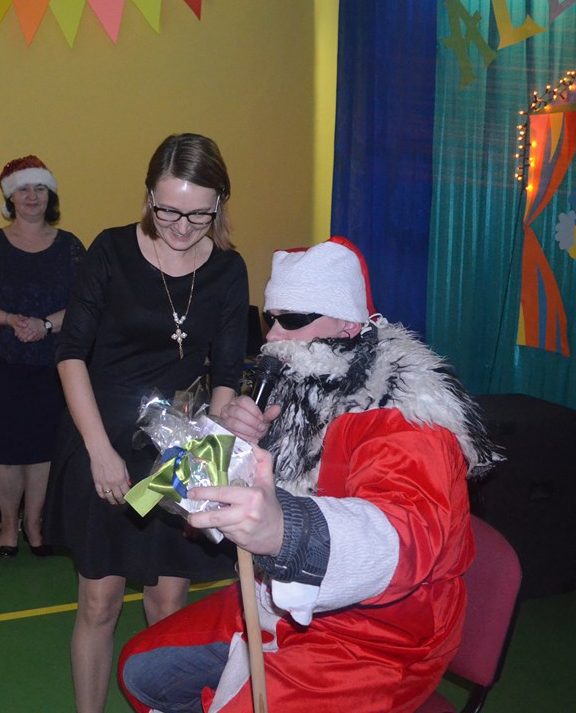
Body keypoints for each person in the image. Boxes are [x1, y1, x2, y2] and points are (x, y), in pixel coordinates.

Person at [117, 237, 502, 713]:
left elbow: (408, 535)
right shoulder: (297, 382)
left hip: (377, 637)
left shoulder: (405, 413)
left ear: (347, 323)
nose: (274, 336)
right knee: (140, 670)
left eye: (293, 320)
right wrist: (234, 444)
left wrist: (288, 531)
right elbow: (243, 501)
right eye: (271, 318)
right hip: (276, 602)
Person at [44, 134, 250, 712]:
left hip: (176, 450)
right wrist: (98, 452)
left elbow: (226, 373)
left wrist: (205, 461)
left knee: (167, 603)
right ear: (148, 197)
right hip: (102, 438)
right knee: (99, 603)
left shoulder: (227, 269)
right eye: (167, 211)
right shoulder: (110, 251)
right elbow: (70, 354)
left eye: (198, 214)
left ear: (219, 204)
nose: (182, 227)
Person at [0, 156, 86, 558]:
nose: (32, 197)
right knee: (10, 449)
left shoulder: (70, 247)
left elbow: (86, 305)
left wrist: (45, 325)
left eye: (40, 189)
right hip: (5, 364)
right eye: (24, 189)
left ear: (50, 195)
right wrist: (10, 319)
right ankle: (8, 524)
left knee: (44, 448)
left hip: (56, 365)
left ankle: (35, 523)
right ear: (10, 198)